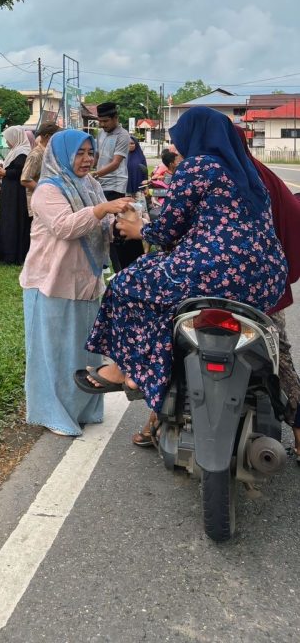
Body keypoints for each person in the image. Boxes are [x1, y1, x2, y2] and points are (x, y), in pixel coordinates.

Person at [76, 108, 288, 413]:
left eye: (179, 140)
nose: (176, 148)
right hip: (266, 280)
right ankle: (152, 370)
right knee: (169, 297)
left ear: (196, 136)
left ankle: (127, 368)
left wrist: (139, 228)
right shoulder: (247, 172)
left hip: (215, 273)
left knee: (126, 282)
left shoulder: (198, 166)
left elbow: (167, 230)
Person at [19, 130, 131, 436]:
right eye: (79, 153)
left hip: (85, 279)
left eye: (89, 152)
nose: (86, 159)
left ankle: (84, 407)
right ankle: (54, 412)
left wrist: (121, 221)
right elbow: (64, 227)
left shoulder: (91, 184)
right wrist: (102, 210)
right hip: (52, 281)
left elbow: (100, 225)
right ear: (62, 155)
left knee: (83, 349)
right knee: (54, 352)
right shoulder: (47, 190)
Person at [235, 126, 300, 460]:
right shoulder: (262, 175)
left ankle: (154, 423)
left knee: (174, 343)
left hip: (217, 288)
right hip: (266, 288)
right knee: (280, 354)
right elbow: (292, 213)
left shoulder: (214, 178)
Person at [92, 102, 141, 270]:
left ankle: (122, 268)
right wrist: (91, 168)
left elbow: (115, 163)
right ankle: (108, 262)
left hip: (115, 185)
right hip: (100, 184)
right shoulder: (100, 133)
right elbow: (97, 156)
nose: (103, 125)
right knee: (102, 226)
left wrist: (95, 174)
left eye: (106, 121)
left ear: (115, 118)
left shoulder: (123, 135)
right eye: (100, 121)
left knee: (115, 228)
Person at [0, 125, 32, 264]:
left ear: (15, 138)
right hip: (10, 190)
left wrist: (5, 173)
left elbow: (21, 172)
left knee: (15, 219)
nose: (6, 142)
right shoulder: (15, 151)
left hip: (17, 192)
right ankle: (6, 253)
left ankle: (15, 254)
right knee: (8, 219)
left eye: (8, 139)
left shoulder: (23, 152)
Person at [21, 121, 61, 215]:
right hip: (40, 203)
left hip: (51, 203)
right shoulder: (36, 155)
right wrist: (46, 192)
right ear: (47, 136)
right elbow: (25, 179)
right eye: (57, 136)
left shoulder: (50, 152)